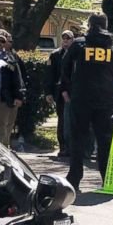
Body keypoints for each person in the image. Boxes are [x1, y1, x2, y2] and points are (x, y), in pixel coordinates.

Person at [61, 13, 113, 192]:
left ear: (89, 25)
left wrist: (66, 90)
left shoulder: (79, 44)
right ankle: (107, 178)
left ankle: (74, 179)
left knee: (78, 139)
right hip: (105, 100)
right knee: (104, 141)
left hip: (81, 99)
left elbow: (64, 68)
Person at [45, 30, 74, 158]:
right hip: (59, 91)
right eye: (64, 38)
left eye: (68, 38)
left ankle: (72, 146)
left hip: (73, 91)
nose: (66, 41)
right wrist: (48, 92)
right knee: (62, 119)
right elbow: (50, 75)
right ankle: (63, 147)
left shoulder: (76, 53)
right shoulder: (55, 54)